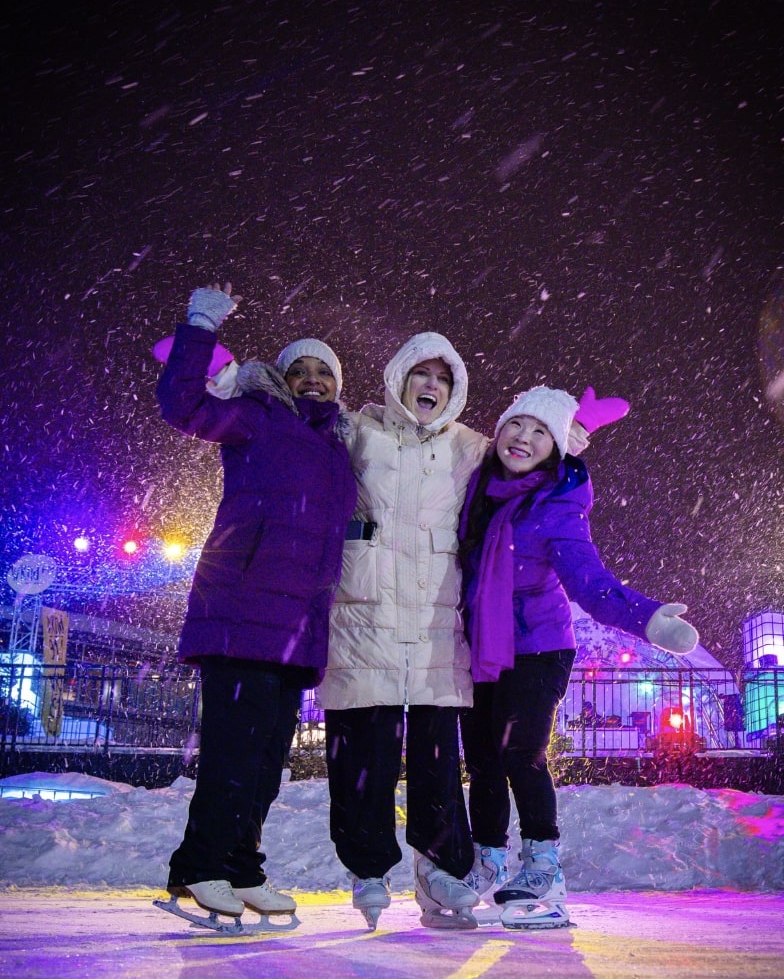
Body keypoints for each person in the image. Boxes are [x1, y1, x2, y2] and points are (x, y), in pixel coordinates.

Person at [457, 386, 699, 929]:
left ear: (555, 448)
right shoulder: (476, 488)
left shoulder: (557, 504)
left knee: (520, 753)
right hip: (481, 644)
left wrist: (648, 619)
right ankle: (488, 859)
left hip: (539, 646)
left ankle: (544, 868)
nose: (524, 439)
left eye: (541, 432)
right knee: (483, 761)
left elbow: (590, 584)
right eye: (518, 425)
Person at [156, 285, 356, 929]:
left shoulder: (338, 449)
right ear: (279, 378)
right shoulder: (256, 416)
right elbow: (181, 403)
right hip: (242, 613)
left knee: (269, 757)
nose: (313, 379)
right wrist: (201, 326)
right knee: (231, 751)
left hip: (298, 625)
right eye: (299, 369)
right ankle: (199, 864)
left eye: (324, 370)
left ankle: (241, 868)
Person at [318, 332, 488, 929]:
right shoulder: (358, 432)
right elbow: (293, 420)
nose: (432, 386)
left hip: (437, 621)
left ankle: (440, 868)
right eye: (422, 375)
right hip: (367, 616)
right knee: (364, 749)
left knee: (438, 755)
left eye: (443, 378)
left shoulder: (470, 448)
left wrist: (563, 436)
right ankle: (368, 868)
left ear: (455, 390)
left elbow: (526, 461)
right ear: (398, 379)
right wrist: (227, 377)